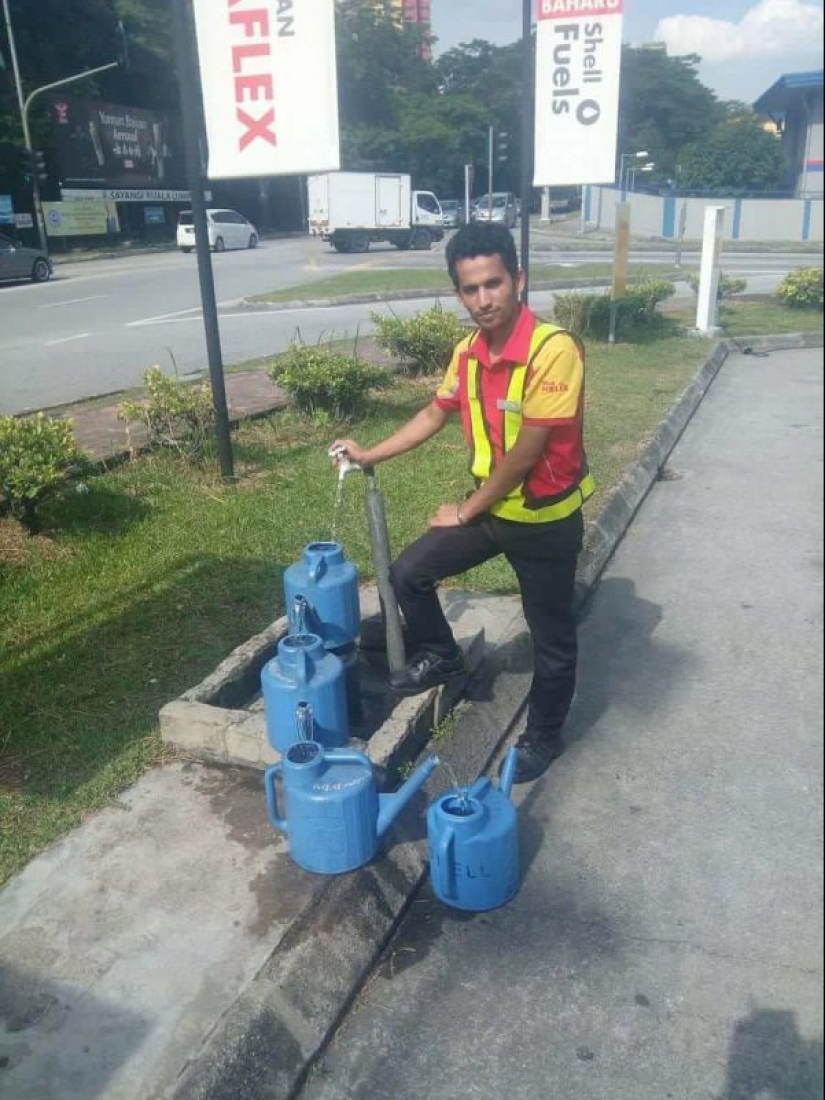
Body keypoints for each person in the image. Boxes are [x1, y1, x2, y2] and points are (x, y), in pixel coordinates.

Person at [331, 223, 593, 783]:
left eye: (493, 284)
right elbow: (435, 412)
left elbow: (526, 453)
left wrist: (468, 509)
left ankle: (544, 736)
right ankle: (441, 654)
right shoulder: (469, 353)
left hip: (543, 522)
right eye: (470, 289)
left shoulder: (554, 350)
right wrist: (370, 453)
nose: (483, 300)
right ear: (458, 293)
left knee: (551, 638)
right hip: (493, 511)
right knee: (409, 573)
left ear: (518, 281)